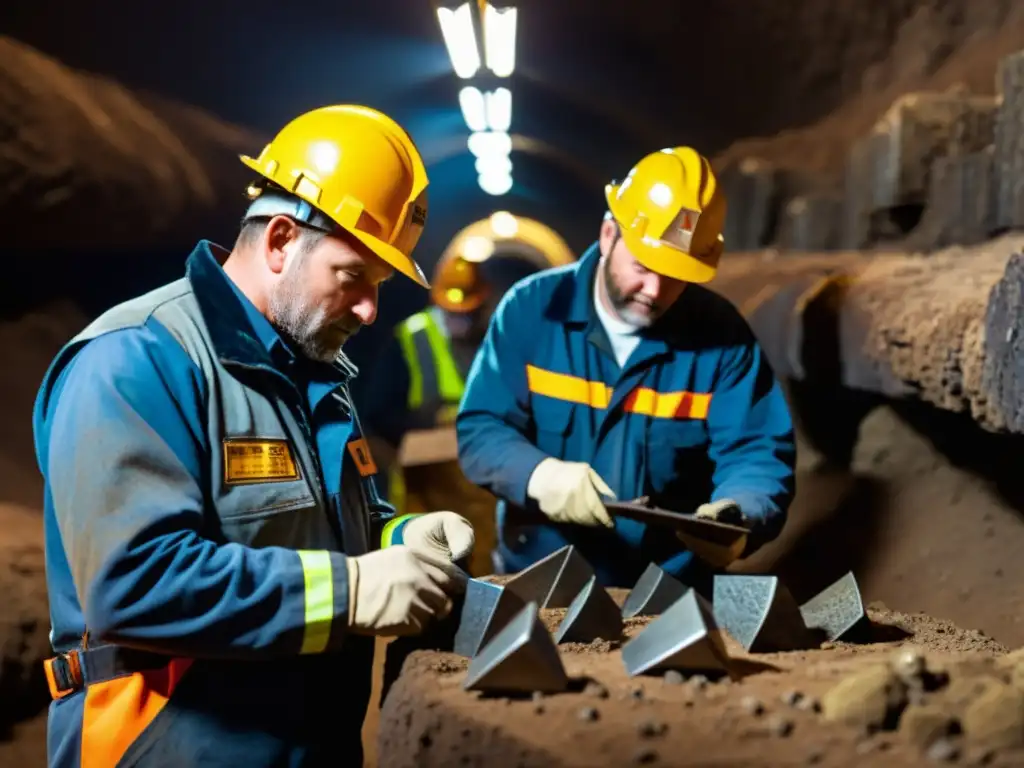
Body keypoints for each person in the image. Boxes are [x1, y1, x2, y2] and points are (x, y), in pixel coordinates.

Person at [32, 104, 475, 768]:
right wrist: (353, 591)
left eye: (378, 285)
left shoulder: (314, 369)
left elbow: (322, 528)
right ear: (279, 240)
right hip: (167, 745)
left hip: (305, 742)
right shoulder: (136, 359)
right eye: (354, 277)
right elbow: (135, 583)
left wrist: (400, 536)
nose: (369, 310)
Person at [456, 146, 796, 590]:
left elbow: (756, 450)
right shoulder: (532, 310)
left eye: (675, 274)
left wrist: (740, 512)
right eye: (643, 265)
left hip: (670, 590)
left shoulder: (722, 335)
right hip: (543, 580)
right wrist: (540, 475)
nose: (654, 290)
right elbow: (482, 429)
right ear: (607, 235)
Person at [361, 241, 554, 574]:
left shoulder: (496, 338)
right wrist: (427, 427)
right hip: (427, 492)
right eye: (452, 313)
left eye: (468, 313)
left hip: (484, 495)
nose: (459, 322)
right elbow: (379, 412)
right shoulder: (411, 338)